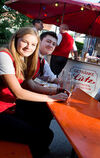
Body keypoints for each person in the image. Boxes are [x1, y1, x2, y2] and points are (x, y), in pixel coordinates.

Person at [0, 27, 69, 157]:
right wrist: (51, 97)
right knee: (42, 136)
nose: (29, 47)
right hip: (3, 110)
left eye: (33, 44)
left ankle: (35, 147)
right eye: (25, 42)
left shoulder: (22, 58)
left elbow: (30, 84)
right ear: (15, 40)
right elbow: (18, 92)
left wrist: (56, 91)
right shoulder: (4, 56)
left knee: (44, 114)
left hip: (10, 107)